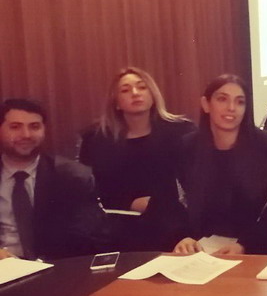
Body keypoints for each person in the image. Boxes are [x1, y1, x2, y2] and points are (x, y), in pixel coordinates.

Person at [173, 75, 267, 256]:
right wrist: (182, 237)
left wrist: (244, 245)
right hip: (199, 253)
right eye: (222, 99)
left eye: (240, 102)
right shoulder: (186, 148)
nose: (231, 108)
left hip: (256, 252)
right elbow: (170, 203)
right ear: (206, 104)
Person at [78, 67, 196, 251]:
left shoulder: (181, 131)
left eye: (142, 87)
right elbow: (92, 190)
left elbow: (194, 183)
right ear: (116, 103)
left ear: (153, 95)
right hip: (121, 227)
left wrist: (158, 204)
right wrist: (130, 203)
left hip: (176, 225)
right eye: (125, 90)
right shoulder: (96, 139)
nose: (135, 93)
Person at [1, 99, 107, 260]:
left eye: (34, 127)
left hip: (55, 267)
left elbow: (88, 236)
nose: (26, 135)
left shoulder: (73, 177)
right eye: (15, 127)